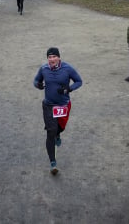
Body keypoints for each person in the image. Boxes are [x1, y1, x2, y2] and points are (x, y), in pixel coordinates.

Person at [33, 47, 82, 175]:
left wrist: (69, 89)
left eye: (54, 56)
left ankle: (58, 133)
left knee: (60, 128)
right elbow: (36, 80)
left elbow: (79, 81)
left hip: (63, 105)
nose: (52, 59)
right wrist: (38, 85)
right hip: (49, 105)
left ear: (59, 57)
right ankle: (53, 162)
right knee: (51, 131)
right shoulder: (44, 69)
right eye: (49, 57)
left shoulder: (67, 68)